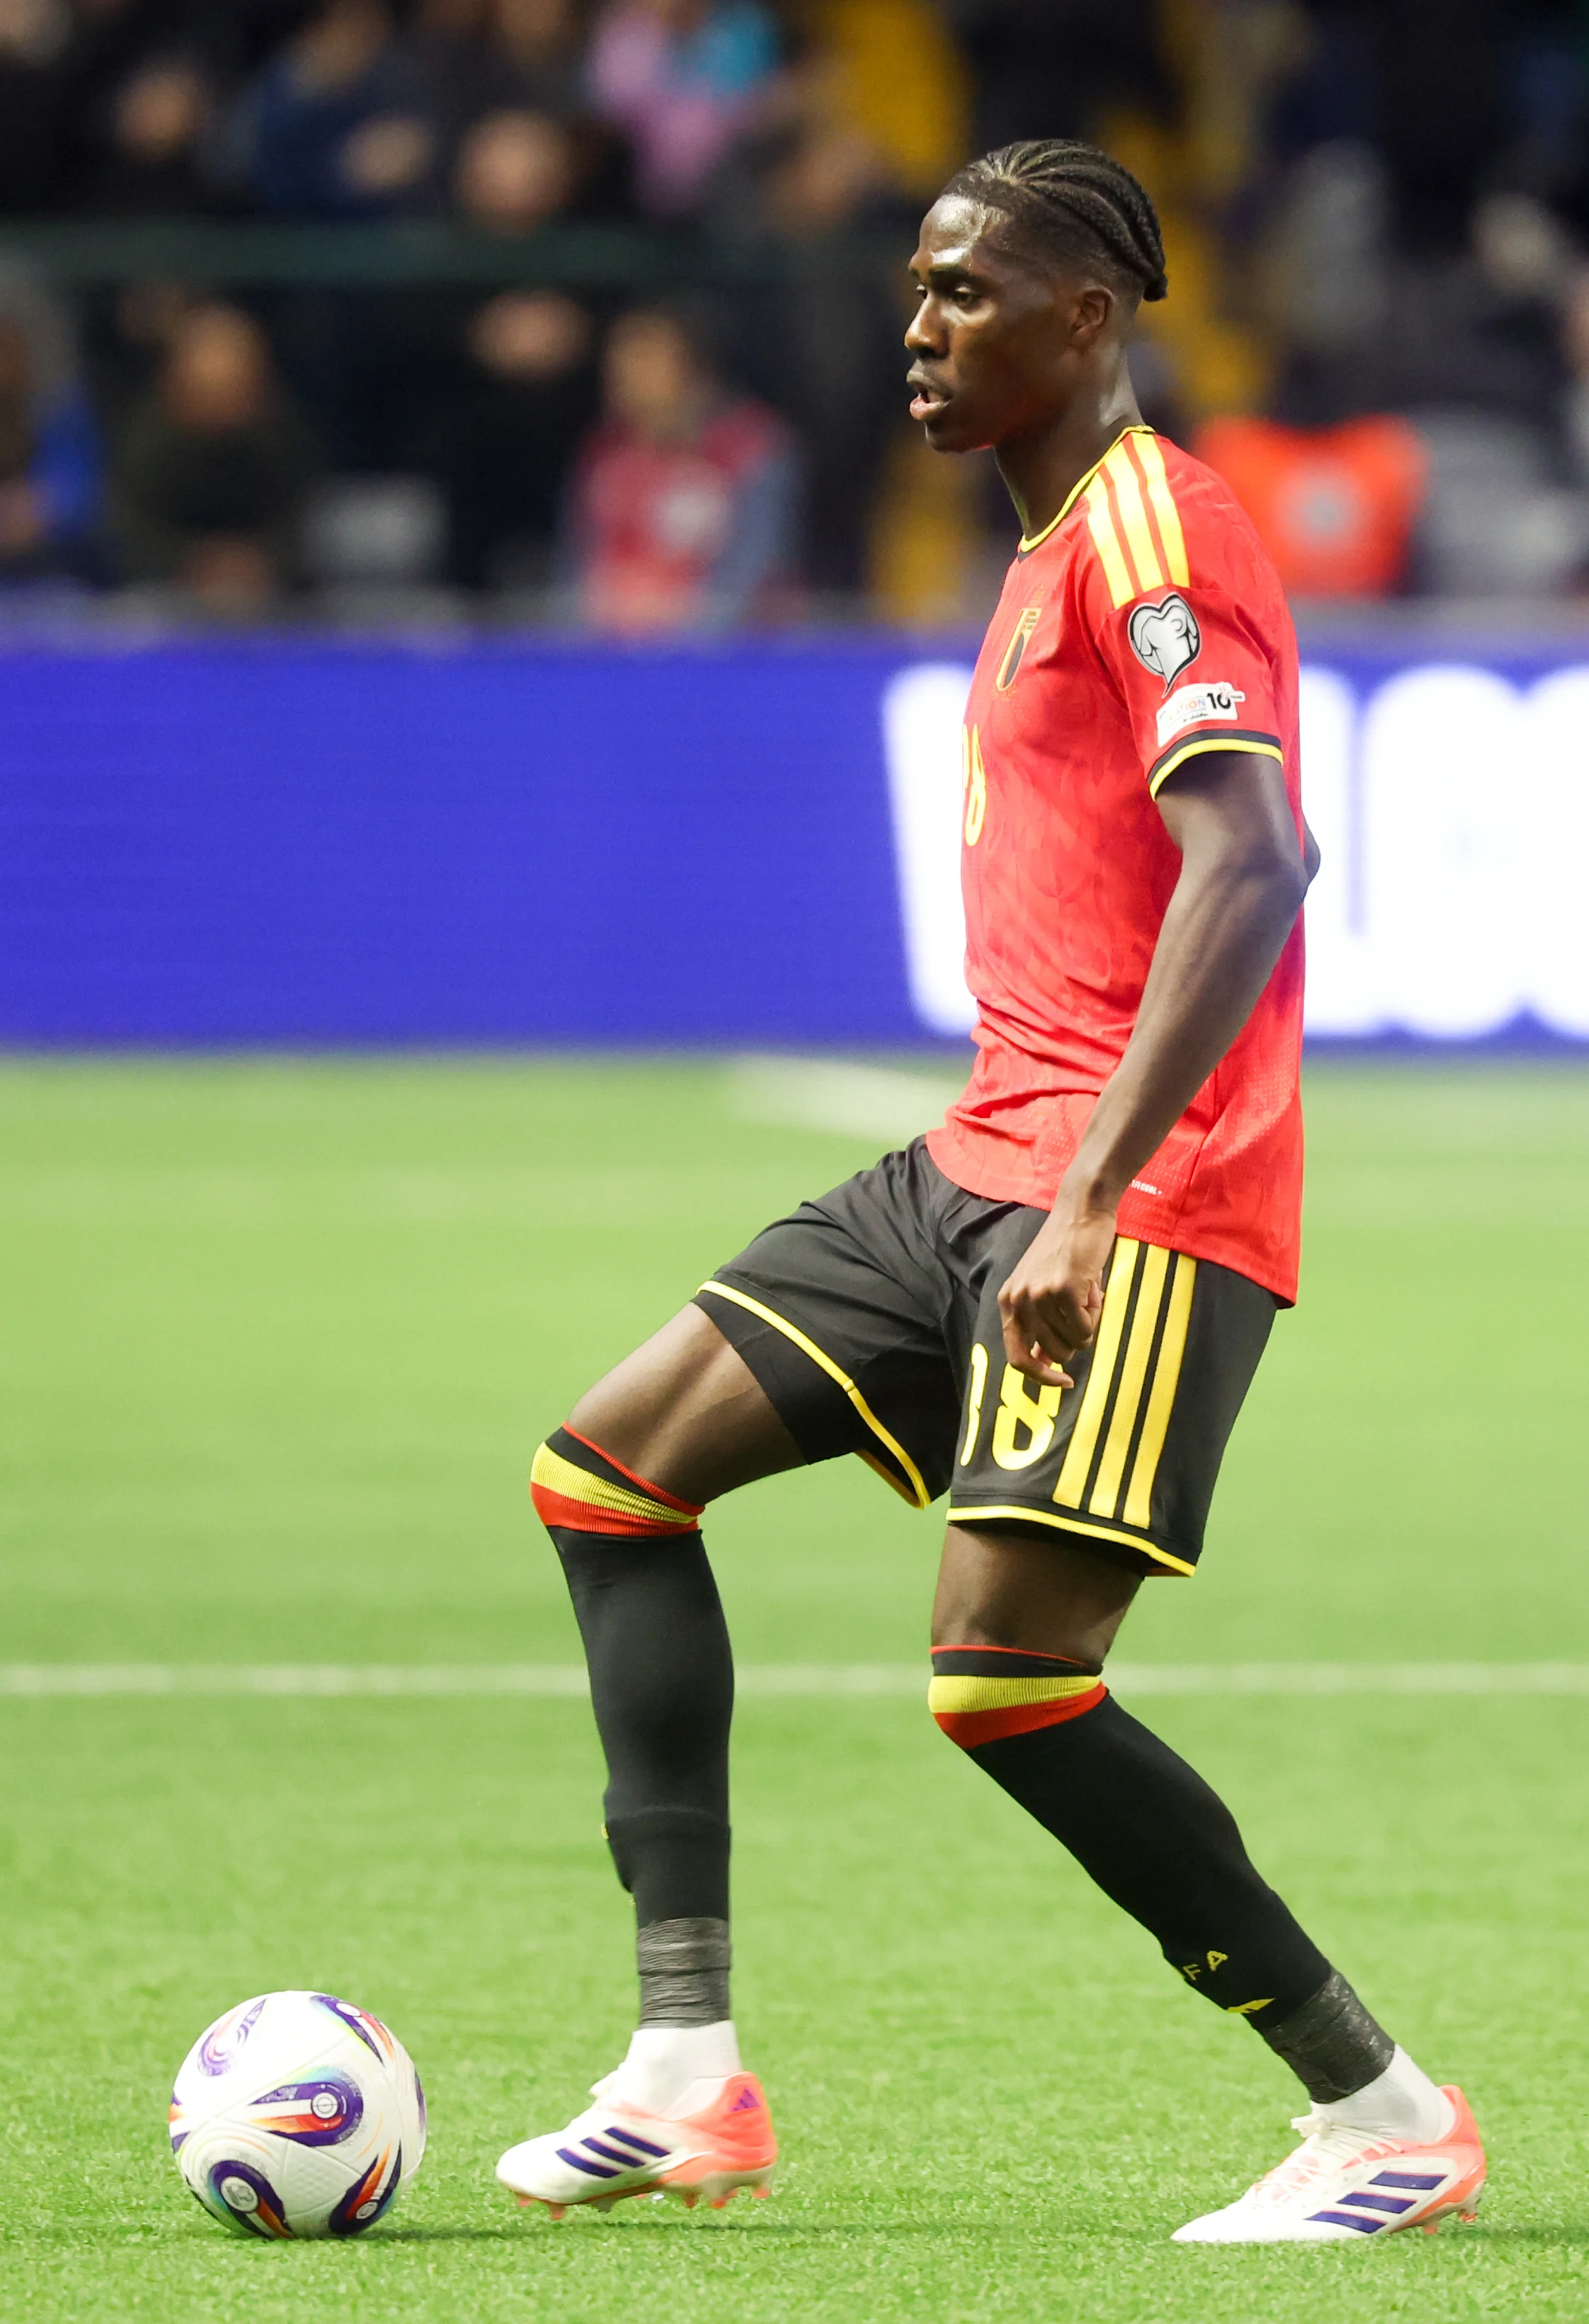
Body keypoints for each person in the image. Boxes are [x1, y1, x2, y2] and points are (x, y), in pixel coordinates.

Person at [495, 138, 1487, 2243]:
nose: (922, 327)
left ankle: (1383, 2111)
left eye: (964, 291)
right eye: (917, 290)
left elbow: (1258, 862)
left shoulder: (1153, 533)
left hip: (1139, 1201)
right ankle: (683, 2075)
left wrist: (1086, 1200)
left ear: (1090, 319)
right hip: (976, 1157)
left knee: (1005, 1678)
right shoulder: (1042, 543)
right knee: (605, 1472)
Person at [563, 304, 794, 633]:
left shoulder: (750, 449)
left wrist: (683, 635)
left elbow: (755, 572)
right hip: (611, 659)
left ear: (690, 365)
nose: (624, 375)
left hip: (719, 661)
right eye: (617, 361)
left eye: (645, 359)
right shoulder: (602, 452)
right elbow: (574, 572)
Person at [113, 302, 318, 614]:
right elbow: (128, 527)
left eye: (233, 392)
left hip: (270, 604)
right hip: (162, 602)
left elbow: (302, 522)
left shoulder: (282, 439)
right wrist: (189, 564)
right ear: (177, 386)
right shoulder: (147, 443)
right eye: (207, 395)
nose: (220, 411)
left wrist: (261, 563)